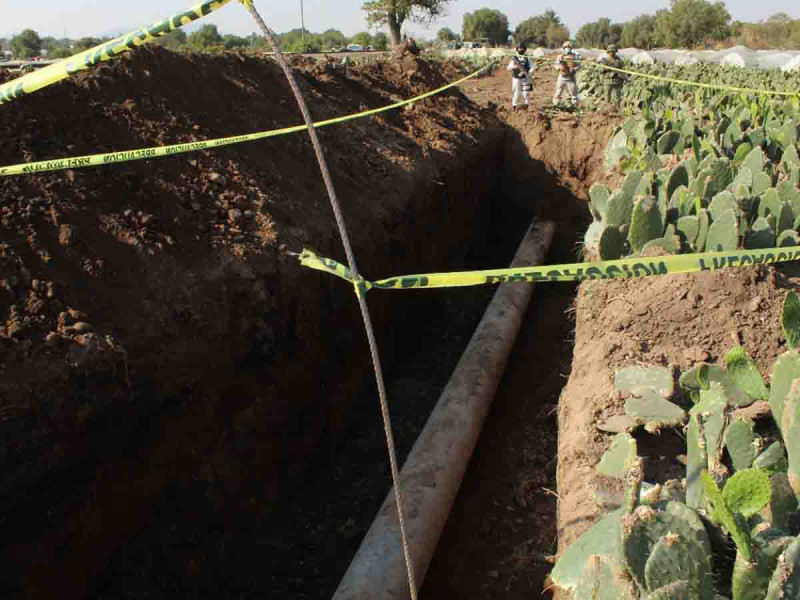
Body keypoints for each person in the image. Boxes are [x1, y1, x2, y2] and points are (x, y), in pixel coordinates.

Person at [553, 41, 581, 108]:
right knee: (558, 92)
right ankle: (556, 105)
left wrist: (574, 69)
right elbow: (556, 64)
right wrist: (558, 68)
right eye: (566, 47)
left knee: (574, 94)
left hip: (570, 78)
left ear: (571, 48)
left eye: (568, 47)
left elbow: (579, 66)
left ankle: (575, 106)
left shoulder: (575, 56)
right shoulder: (560, 56)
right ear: (563, 48)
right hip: (562, 77)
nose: (567, 49)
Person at [507, 42, 534, 111]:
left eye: (522, 48)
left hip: (525, 78)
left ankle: (527, 106)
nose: (521, 50)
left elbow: (532, 67)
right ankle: (514, 106)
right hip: (516, 78)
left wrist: (529, 73)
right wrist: (514, 66)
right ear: (517, 49)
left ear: (524, 49)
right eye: (519, 48)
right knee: (516, 92)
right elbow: (509, 67)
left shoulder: (528, 58)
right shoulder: (514, 58)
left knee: (526, 93)